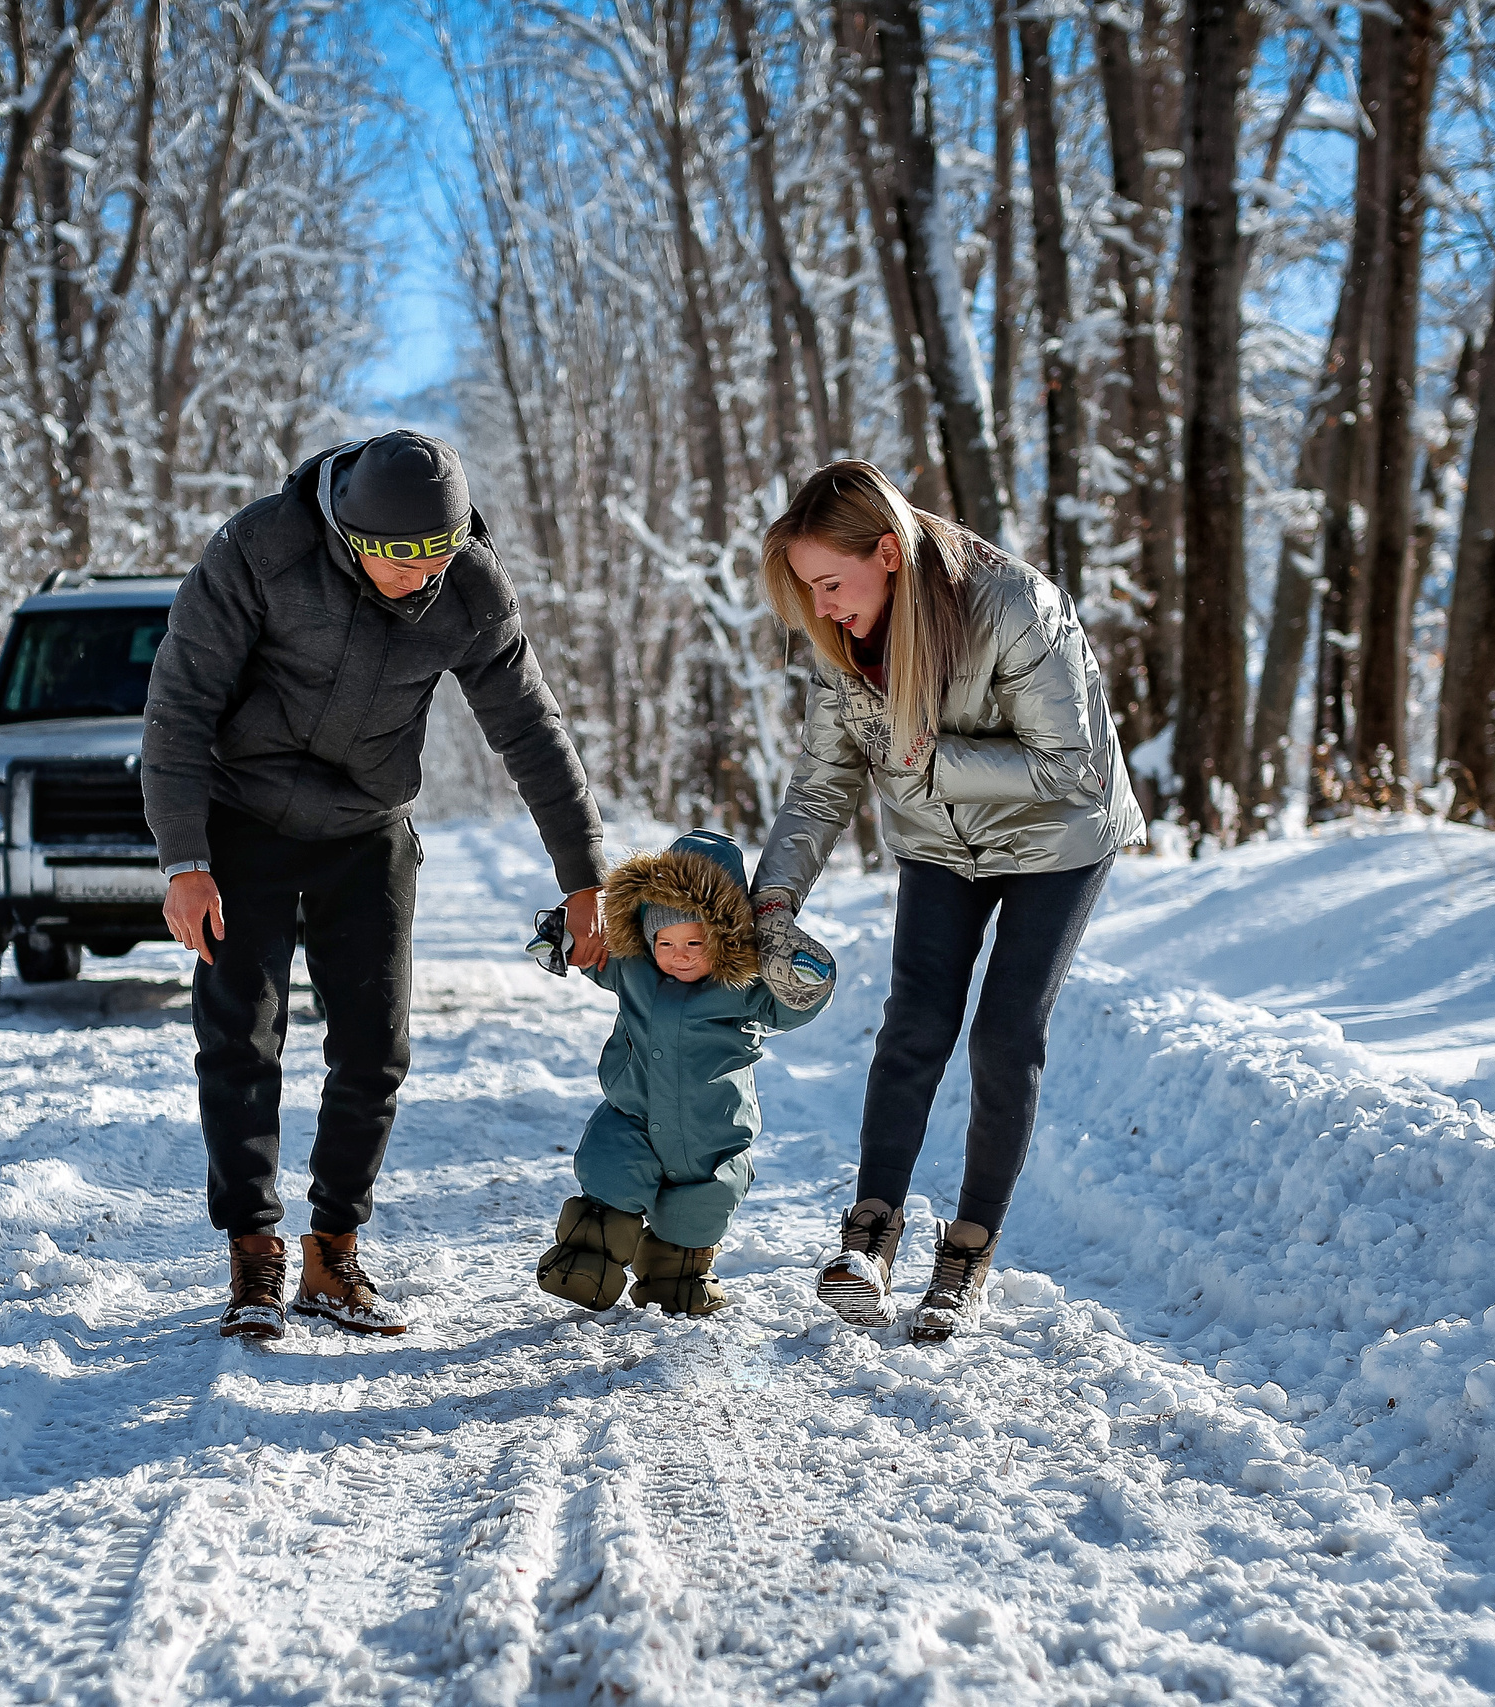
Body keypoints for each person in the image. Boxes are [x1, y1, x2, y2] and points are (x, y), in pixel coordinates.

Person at [144, 430, 611, 1342]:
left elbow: (531, 730)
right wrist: (184, 859)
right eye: (393, 553)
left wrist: (585, 874)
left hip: (366, 828)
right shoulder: (259, 550)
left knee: (375, 1045)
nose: (414, 571)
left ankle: (332, 1251)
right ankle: (254, 1255)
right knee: (242, 1035)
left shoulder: (472, 588)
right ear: (345, 532)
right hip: (245, 820)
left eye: (433, 551)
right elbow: (180, 702)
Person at [749, 460, 1145, 1341]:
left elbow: (1070, 768)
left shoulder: (1014, 607)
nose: (823, 606)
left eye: (830, 582)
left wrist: (929, 762)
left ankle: (967, 1250)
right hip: (940, 843)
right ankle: (870, 1234)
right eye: (807, 590)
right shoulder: (841, 645)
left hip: (1059, 840)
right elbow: (821, 785)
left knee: (1005, 1033)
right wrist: (774, 897)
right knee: (914, 1024)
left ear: (887, 552)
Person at [536, 829, 834, 1316]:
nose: (680, 954)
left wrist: (806, 980)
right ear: (646, 937)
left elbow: (791, 1008)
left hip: (710, 1132)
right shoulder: (633, 968)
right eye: (666, 940)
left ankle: (678, 1273)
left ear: (726, 936)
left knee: (698, 1210)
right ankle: (583, 1259)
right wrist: (563, 942)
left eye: (697, 940)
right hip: (634, 1115)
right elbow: (593, 957)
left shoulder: (743, 986)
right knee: (610, 1179)